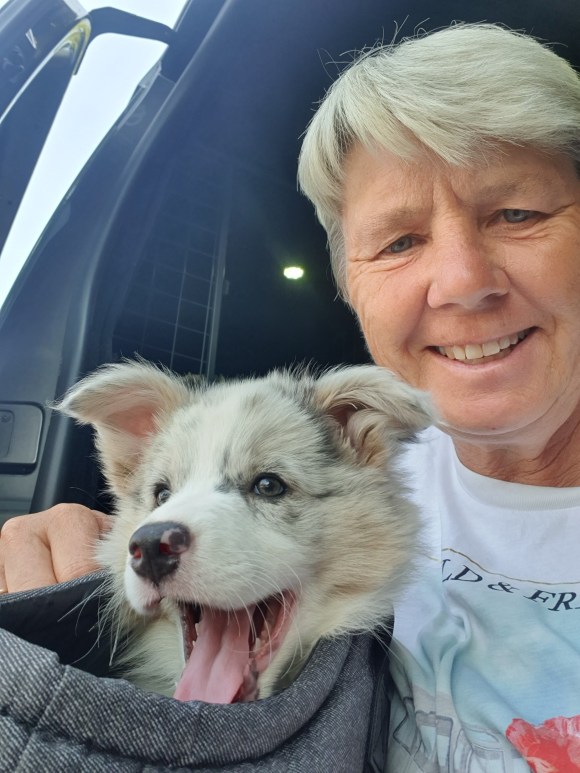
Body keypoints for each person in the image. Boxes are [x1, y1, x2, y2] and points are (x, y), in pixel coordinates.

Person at [2, 21, 580, 772]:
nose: (465, 281)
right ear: (352, 285)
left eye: (517, 214)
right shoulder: (374, 466)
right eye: (400, 241)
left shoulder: (350, 476)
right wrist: (53, 560)